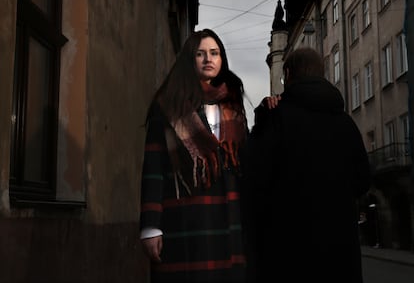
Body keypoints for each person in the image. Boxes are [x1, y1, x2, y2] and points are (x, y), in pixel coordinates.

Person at [139, 28, 277, 283]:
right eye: (200, 53)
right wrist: (150, 226)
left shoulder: (233, 106)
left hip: (229, 214)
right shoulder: (168, 106)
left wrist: (267, 116)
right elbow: (154, 169)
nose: (208, 59)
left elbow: (245, 158)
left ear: (222, 59)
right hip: (184, 218)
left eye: (214, 53)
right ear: (190, 60)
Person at [242, 47, 372, 282]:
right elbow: (363, 180)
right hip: (339, 250)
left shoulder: (276, 119)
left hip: (288, 250)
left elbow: (252, 179)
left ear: (289, 74)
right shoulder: (346, 123)